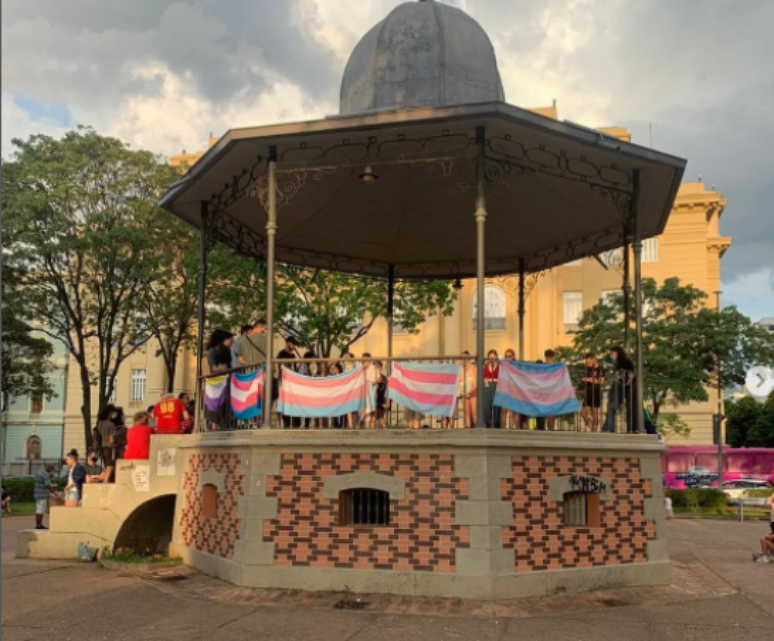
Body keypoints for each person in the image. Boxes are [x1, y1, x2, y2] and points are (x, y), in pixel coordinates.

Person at [602, 346, 634, 433]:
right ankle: (607, 427)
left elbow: (631, 374)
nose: (611, 356)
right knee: (610, 407)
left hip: (623, 387)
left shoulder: (626, 362)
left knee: (612, 407)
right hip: (615, 386)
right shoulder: (614, 363)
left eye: (613, 354)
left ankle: (608, 427)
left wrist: (628, 381)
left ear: (618, 353)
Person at [277, 336, 300, 428]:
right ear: (287, 343)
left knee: (293, 401)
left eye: (294, 344)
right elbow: (281, 367)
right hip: (284, 380)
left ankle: (295, 422)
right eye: (292, 344)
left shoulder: (293, 355)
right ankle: (286, 421)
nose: (293, 346)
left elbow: (294, 368)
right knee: (285, 401)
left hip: (292, 381)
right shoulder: (281, 354)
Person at [581, 353, 604, 432]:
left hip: (596, 392)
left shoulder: (600, 369)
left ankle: (595, 429)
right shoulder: (587, 369)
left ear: (593, 359)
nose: (588, 364)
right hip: (588, 392)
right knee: (583, 412)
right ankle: (590, 425)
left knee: (595, 412)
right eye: (587, 363)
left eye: (589, 362)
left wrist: (590, 380)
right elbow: (582, 378)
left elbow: (601, 381)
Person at [94, 405, 118, 480]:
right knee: (110, 466)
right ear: (110, 413)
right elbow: (111, 440)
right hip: (109, 448)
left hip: (103, 447)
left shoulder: (100, 424)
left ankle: (104, 480)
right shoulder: (111, 425)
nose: (114, 415)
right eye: (113, 413)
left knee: (106, 465)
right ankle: (106, 482)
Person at [33, 463, 57, 528]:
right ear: (48, 467)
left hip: (37, 493)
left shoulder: (39, 471)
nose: (51, 471)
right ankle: (39, 525)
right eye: (51, 469)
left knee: (38, 509)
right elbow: (47, 485)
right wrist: (54, 492)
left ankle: (38, 524)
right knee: (41, 510)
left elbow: (44, 481)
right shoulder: (45, 474)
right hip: (42, 494)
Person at [483, 349, 501, 428]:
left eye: (493, 358)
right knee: (487, 405)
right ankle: (487, 423)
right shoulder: (485, 366)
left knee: (496, 406)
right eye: (490, 359)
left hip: (497, 386)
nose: (492, 360)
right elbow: (482, 377)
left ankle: (497, 423)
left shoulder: (499, 367)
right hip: (487, 387)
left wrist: (494, 380)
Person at [460, 351, 478, 428]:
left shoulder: (474, 368)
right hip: (464, 392)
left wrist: (471, 390)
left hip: (473, 392)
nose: (464, 359)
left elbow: (476, 380)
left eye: (465, 357)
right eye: (462, 358)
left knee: (474, 412)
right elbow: (459, 381)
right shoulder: (460, 369)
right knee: (466, 412)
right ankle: (468, 428)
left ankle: (476, 428)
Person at [361, 353, 378, 428]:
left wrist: (372, 383)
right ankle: (365, 429)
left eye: (366, 360)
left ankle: (372, 430)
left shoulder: (374, 368)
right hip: (363, 394)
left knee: (372, 412)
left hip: (372, 393)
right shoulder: (361, 369)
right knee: (364, 413)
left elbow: (379, 378)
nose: (364, 361)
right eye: (363, 360)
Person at [543, 350, 557, 431]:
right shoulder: (555, 366)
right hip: (551, 391)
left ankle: (550, 428)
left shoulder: (545, 366)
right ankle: (550, 428)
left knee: (549, 412)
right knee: (550, 412)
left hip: (548, 391)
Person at [374, 361, 389, 430]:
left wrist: (387, 400)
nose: (378, 368)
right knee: (375, 417)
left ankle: (383, 427)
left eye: (379, 367)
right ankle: (383, 427)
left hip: (381, 399)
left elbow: (387, 389)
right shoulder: (371, 376)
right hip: (373, 398)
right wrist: (376, 382)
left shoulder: (384, 378)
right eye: (376, 367)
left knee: (380, 415)